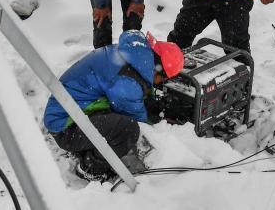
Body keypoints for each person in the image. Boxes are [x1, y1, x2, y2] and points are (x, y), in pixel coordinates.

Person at [43, 31, 184, 181]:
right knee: (127, 129)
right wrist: (157, 127)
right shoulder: (128, 80)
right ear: (159, 69)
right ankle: (90, 168)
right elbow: (137, 118)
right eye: (164, 79)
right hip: (65, 128)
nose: (160, 83)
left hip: (68, 112)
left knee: (118, 120)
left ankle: (87, 150)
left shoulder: (133, 55)